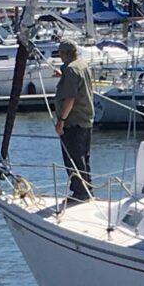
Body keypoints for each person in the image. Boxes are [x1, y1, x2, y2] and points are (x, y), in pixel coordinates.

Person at [54, 39, 95, 200]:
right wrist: (63, 75)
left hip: (73, 121)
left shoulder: (71, 70)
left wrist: (61, 120)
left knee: (73, 159)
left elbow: (70, 98)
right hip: (86, 119)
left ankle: (80, 193)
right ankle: (87, 189)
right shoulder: (82, 65)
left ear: (63, 54)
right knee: (84, 157)